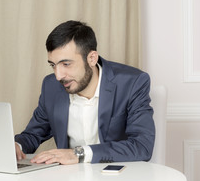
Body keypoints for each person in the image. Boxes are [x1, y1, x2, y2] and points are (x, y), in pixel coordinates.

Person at [15, 20, 155, 164]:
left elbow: (142, 146)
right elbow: (32, 134)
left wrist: (78, 154)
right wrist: (17, 146)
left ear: (92, 58)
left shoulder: (132, 83)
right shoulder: (50, 86)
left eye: (66, 64)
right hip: (69, 179)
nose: (58, 76)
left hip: (117, 178)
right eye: (53, 65)